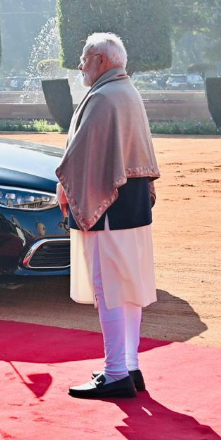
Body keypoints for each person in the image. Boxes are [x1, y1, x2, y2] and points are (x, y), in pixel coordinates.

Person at [56, 33, 160, 399]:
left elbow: (81, 155)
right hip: (130, 202)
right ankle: (129, 366)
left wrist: (64, 186)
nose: (80, 64)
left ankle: (116, 372)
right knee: (126, 287)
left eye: (84, 58)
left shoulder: (104, 96)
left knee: (110, 288)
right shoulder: (126, 91)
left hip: (109, 204)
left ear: (101, 59)